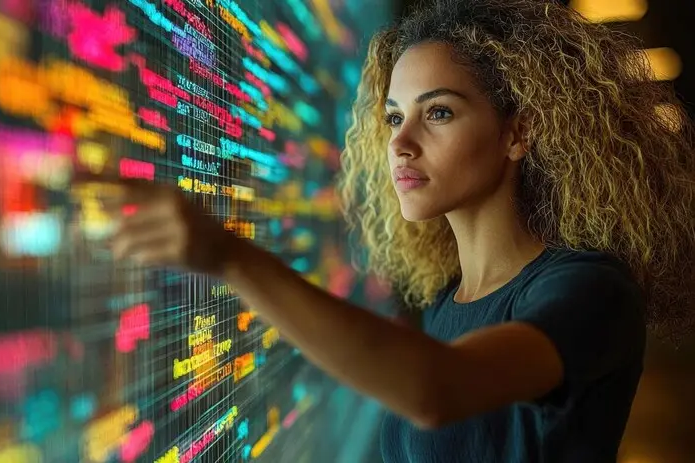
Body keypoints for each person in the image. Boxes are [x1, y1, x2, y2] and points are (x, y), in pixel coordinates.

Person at [93, 0, 695, 461]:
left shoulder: (590, 291)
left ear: (519, 133)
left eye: (438, 113)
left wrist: (229, 257)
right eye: (393, 117)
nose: (400, 144)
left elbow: (435, 390)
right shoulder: (445, 304)